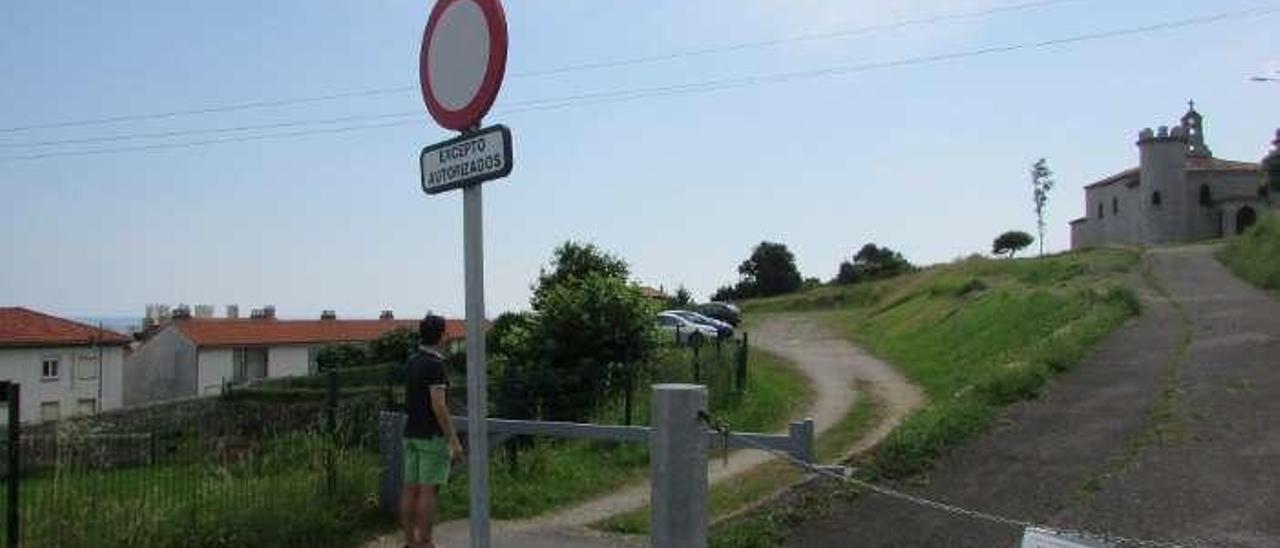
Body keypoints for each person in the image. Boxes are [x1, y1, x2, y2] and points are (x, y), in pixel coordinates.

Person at [400, 314, 463, 548]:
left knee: (410, 489)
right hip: (431, 436)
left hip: (411, 433)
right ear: (442, 336)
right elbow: (438, 404)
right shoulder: (436, 365)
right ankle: (425, 543)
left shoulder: (412, 361)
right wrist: (453, 441)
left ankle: (410, 542)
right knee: (428, 491)